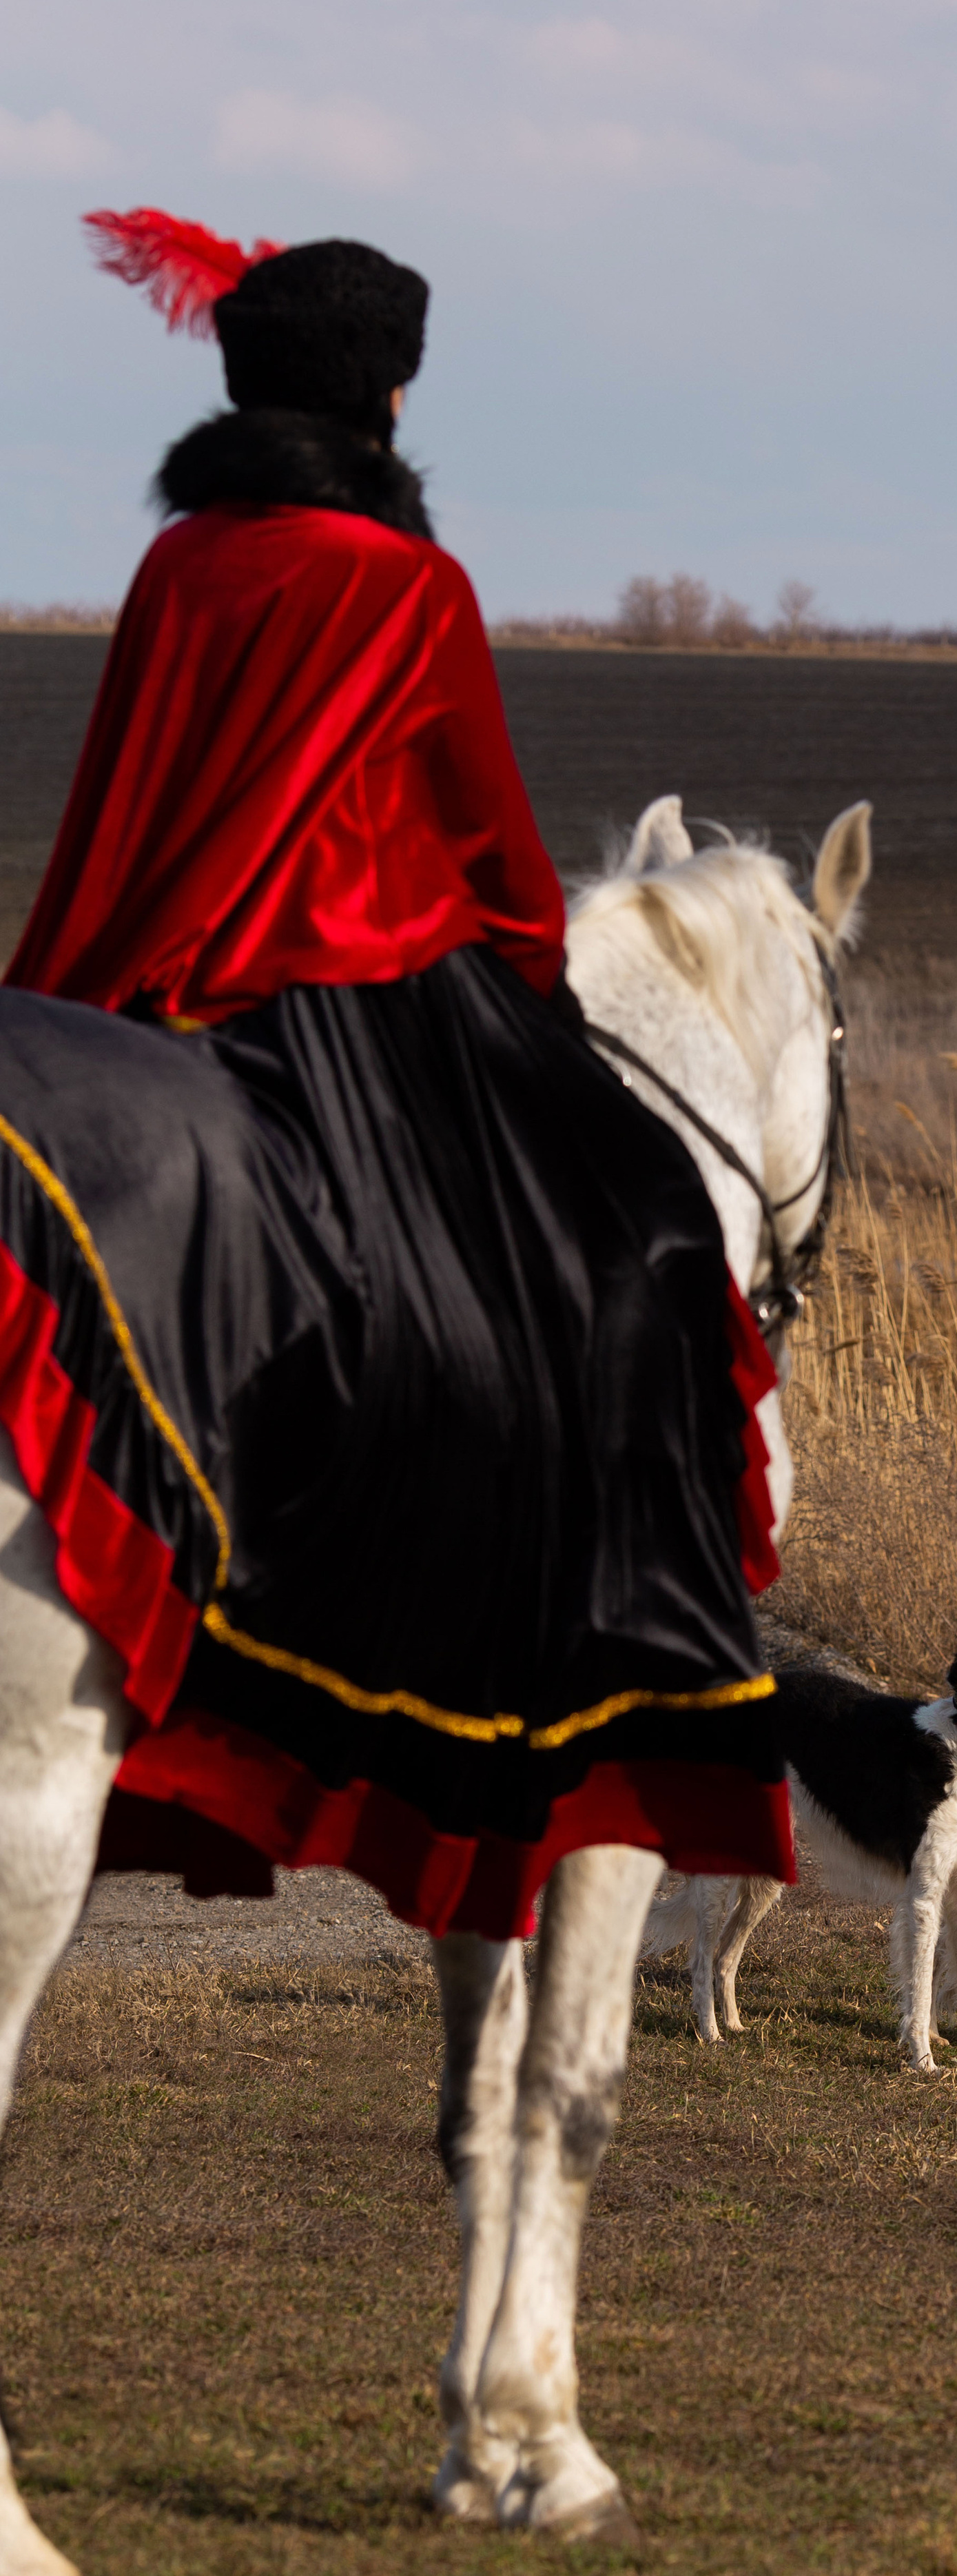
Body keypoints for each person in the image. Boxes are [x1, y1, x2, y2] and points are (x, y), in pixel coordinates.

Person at [0, 210, 791, 1939]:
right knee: (635, 1240)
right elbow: (498, 855)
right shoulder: (403, 582)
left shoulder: (177, 560)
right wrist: (521, 974)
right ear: (391, 394)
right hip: (356, 995)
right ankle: (568, 1691)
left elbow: (128, 805)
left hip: (138, 982)